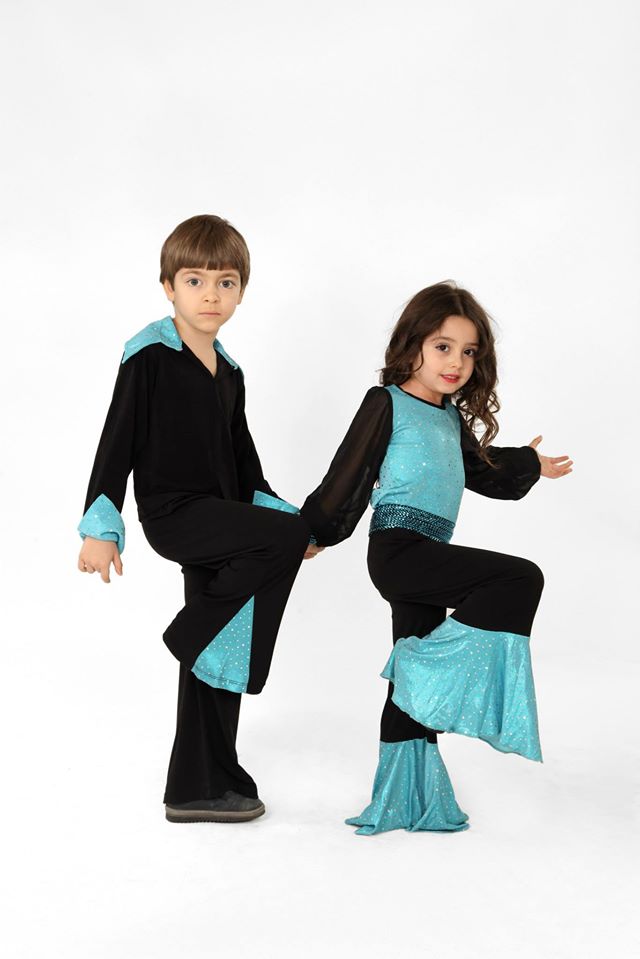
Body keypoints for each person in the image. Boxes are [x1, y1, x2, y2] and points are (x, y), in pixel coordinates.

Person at [300, 281, 572, 835]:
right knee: (520, 579)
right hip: (399, 551)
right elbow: (348, 473)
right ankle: (418, 670)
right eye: (443, 347)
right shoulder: (386, 402)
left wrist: (529, 463)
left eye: (469, 352)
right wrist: (315, 531)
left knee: (412, 682)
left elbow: (480, 472)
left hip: (430, 554)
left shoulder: (448, 417)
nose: (456, 363)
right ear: (413, 344)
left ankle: (406, 801)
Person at [77, 214, 321, 824]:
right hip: (175, 514)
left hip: (225, 521)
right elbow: (116, 440)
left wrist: (286, 525)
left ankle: (200, 782)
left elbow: (245, 463)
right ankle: (187, 633)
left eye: (225, 282)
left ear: (241, 292)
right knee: (212, 629)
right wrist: (100, 526)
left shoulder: (230, 373)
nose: (210, 294)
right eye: (194, 280)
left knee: (225, 643)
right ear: (169, 287)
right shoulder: (149, 355)